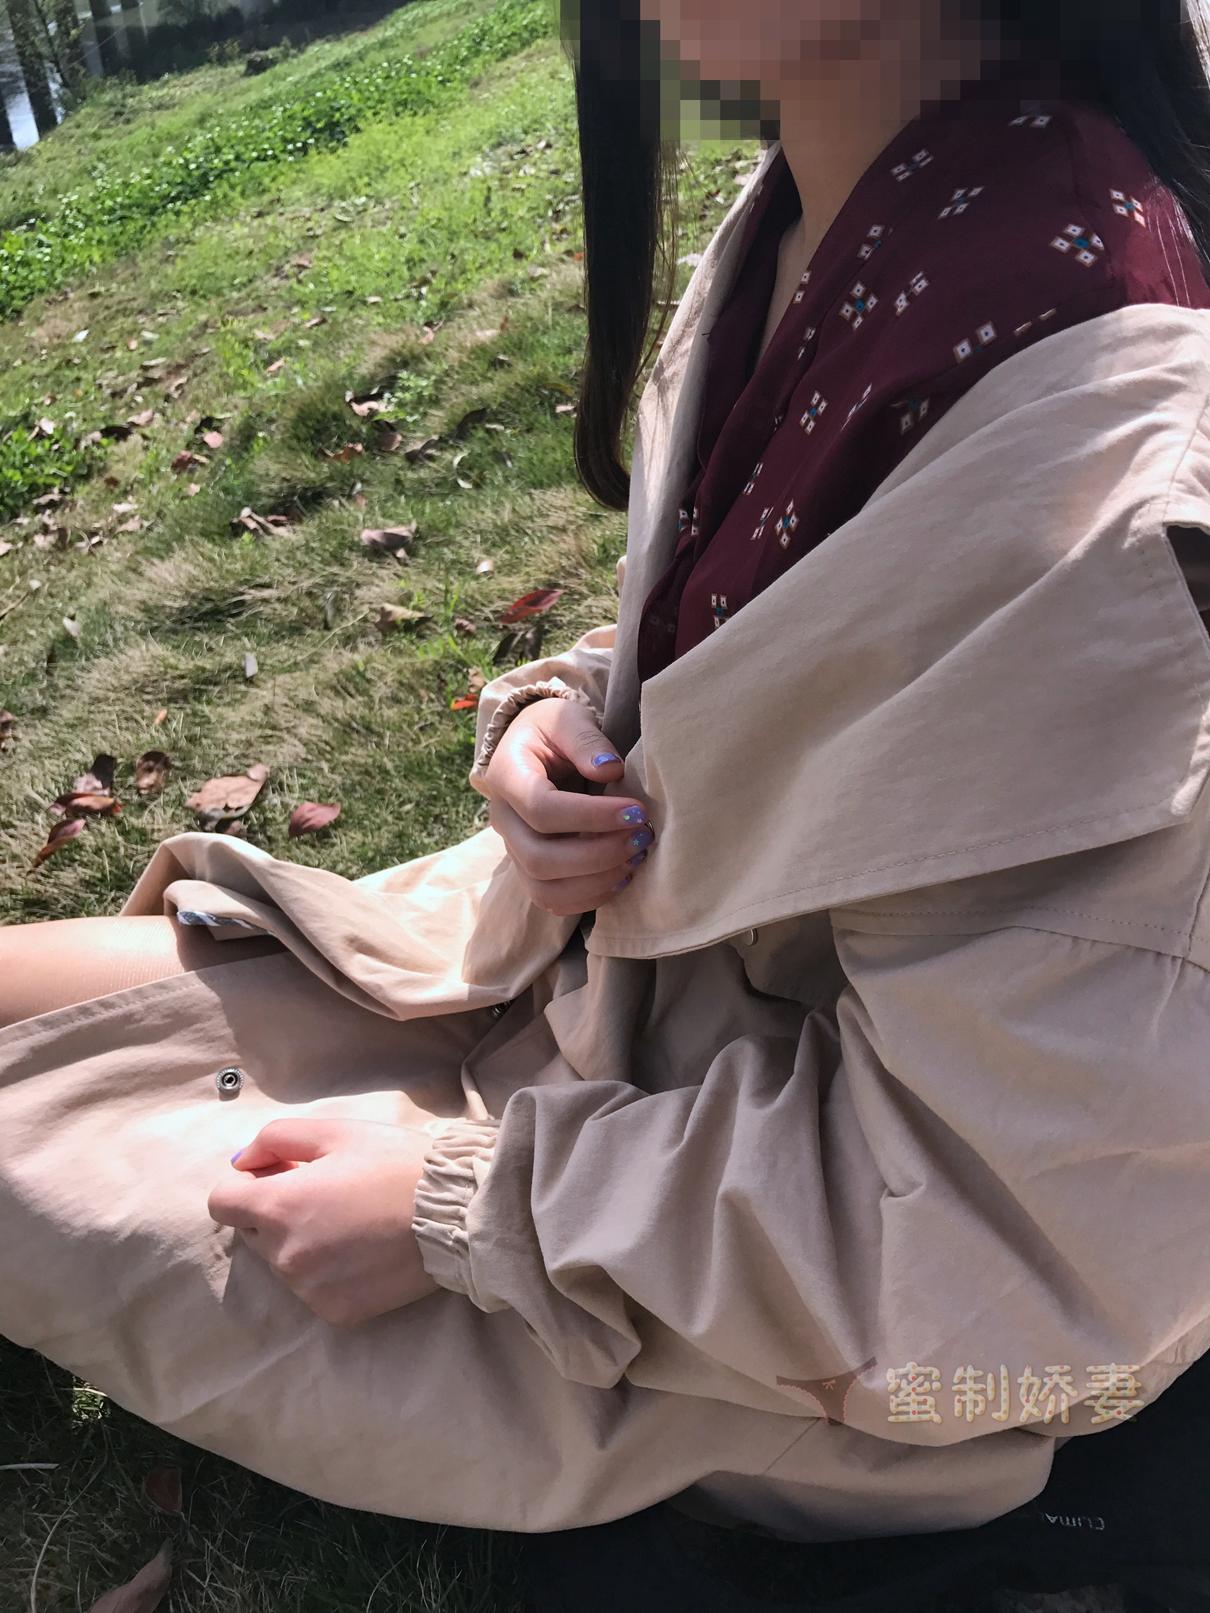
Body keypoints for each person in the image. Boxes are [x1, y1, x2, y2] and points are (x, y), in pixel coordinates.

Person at [2, 0, 1210, 1555]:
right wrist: (560, 713)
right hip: (575, 982)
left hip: (726, 1295)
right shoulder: (845, 173)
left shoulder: (1085, 395)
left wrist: (462, 1209)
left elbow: (1025, 1243)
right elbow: (784, 629)